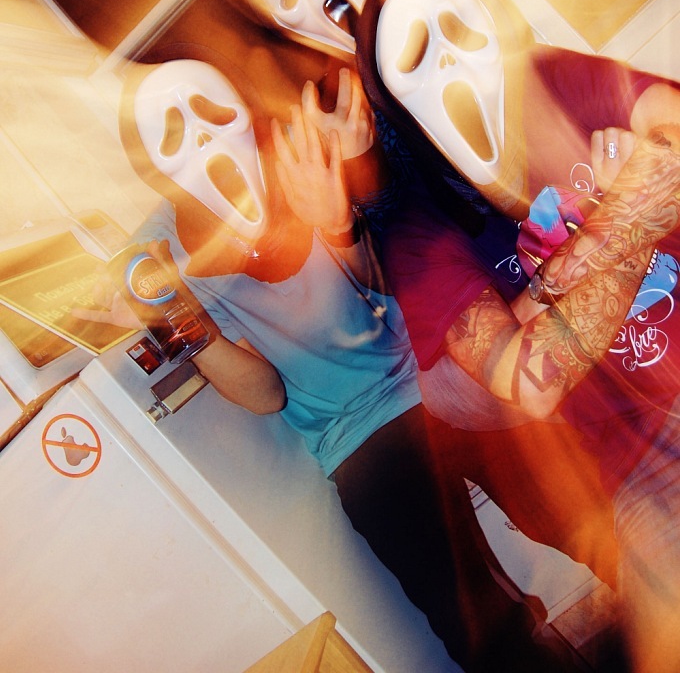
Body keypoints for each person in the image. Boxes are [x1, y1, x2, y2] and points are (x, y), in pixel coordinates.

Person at [104, 56, 576, 673]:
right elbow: (266, 394)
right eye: (171, 134)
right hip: (358, 441)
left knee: (572, 510)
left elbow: (390, 283)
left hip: (436, 374)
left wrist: (339, 222)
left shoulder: (304, 155)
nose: (201, 138)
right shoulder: (162, 255)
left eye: (211, 111)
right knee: (477, 626)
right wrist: (180, 321)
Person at [383, 114, 680, 673]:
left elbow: (671, 136)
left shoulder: (548, 90)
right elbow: (531, 378)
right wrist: (627, 213)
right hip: (638, 454)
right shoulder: (417, 229)